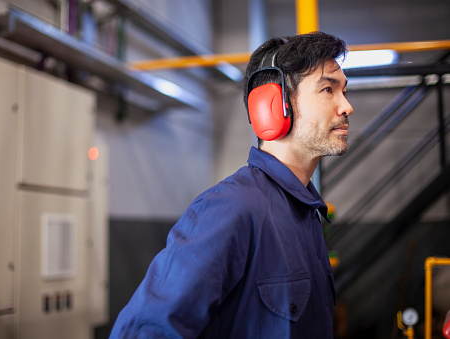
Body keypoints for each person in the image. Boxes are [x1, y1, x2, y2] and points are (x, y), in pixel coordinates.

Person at [109, 31, 353, 339]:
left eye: (344, 91)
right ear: (275, 106)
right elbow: (143, 332)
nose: (346, 106)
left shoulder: (306, 214)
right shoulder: (231, 208)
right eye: (328, 89)